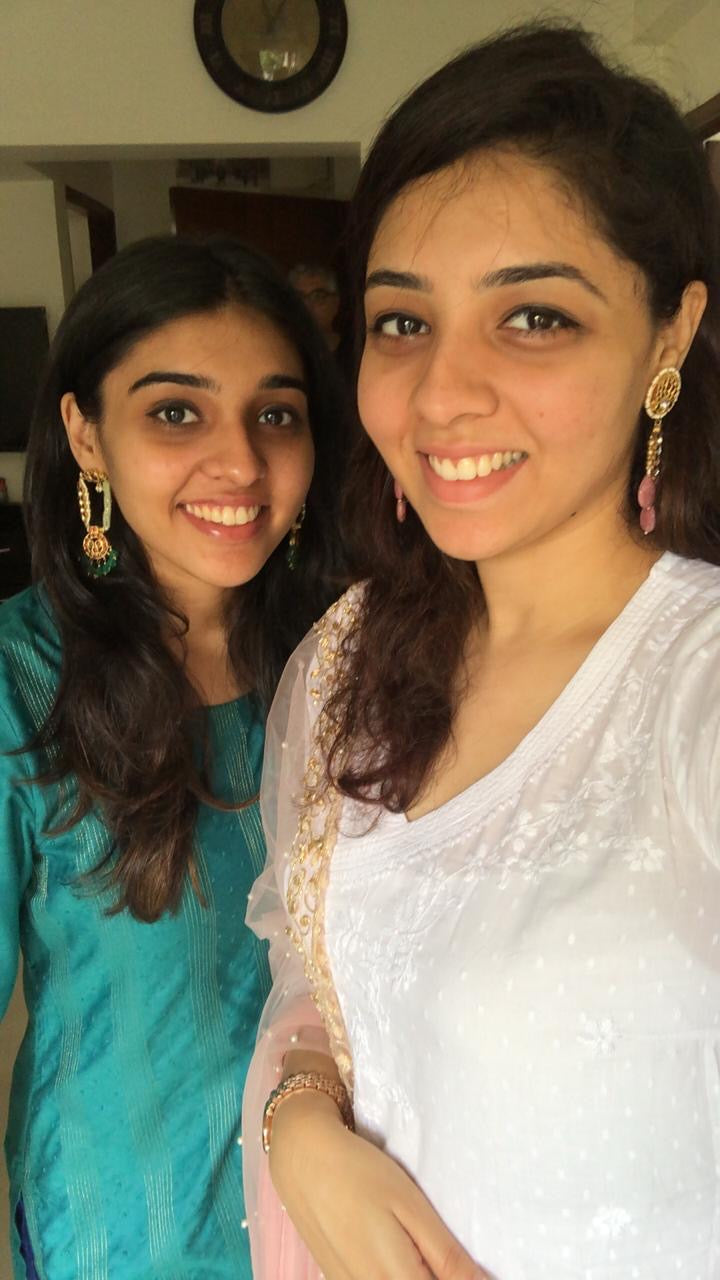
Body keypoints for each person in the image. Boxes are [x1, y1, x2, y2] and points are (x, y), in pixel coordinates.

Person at [243, 21, 720, 1280]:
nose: (443, 393)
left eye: (534, 317)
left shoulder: (696, 688)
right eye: (402, 324)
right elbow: (312, 969)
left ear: (668, 338)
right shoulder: (349, 658)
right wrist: (301, 1129)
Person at [0, 234, 346, 1279]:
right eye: (175, 410)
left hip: (344, 1221)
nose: (239, 461)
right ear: (86, 433)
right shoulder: (20, 681)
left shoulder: (354, 657)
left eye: (275, 413)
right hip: (125, 1237)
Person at [288, 264, 341, 351]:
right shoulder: (286, 352)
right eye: (300, 298)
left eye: (318, 297)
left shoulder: (355, 350)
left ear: (335, 303)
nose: (308, 306)